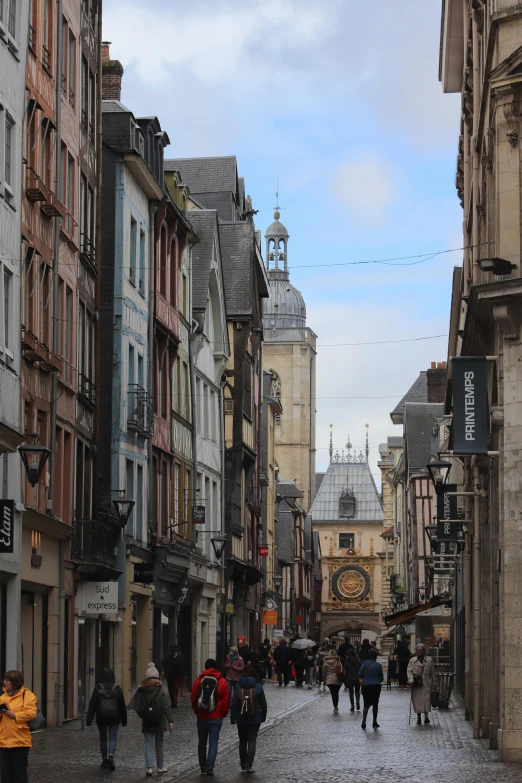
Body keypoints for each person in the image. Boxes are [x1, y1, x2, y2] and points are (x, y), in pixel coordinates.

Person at [131, 662, 172, 777]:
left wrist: (144, 715)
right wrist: (170, 721)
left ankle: (149, 768)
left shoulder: (141, 690)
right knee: (159, 744)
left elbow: (137, 706)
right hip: (159, 720)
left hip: (147, 721)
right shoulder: (160, 690)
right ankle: (160, 767)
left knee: (148, 744)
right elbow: (166, 707)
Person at [191, 658, 230, 776]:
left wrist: (197, 711)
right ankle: (210, 767)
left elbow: (193, 698)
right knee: (213, 742)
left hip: (202, 716)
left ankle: (202, 766)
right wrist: (222, 714)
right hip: (215, 716)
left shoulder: (199, 680)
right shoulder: (222, 681)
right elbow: (226, 700)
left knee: (202, 741)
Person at [86, 667, 127, 770]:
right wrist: (124, 720)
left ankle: (104, 759)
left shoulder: (98, 688)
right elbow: (122, 705)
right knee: (113, 738)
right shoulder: (117, 688)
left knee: (103, 739)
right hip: (115, 717)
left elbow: (92, 705)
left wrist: (89, 719)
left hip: (101, 717)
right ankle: (110, 756)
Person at [0, 670, 37, 783]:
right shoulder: (3, 697)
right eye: (4, 680)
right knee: (5, 775)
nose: (4, 683)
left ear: (15, 682)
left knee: (19, 774)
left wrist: (15, 715)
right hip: (3, 741)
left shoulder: (27, 695)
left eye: (7, 680)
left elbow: (31, 713)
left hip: (20, 741)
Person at [230, 663, 268, 774]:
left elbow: (234, 704)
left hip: (241, 718)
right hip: (255, 718)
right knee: (252, 742)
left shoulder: (238, 687)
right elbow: (264, 705)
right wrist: (262, 717)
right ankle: (249, 765)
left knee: (242, 741)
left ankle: (243, 763)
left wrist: (233, 718)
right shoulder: (258, 687)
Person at [407, 644, 435, 725]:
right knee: (417, 701)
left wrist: (434, 683)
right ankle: (418, 717)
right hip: (416, 684)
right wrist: (411, 680)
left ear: (424, 651)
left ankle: (426, 717)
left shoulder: (429, 660)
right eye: (418, 650)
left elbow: (432, 672)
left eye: (421, 650)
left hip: (426, 683)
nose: (419, 652)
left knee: (426, 701)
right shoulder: (412, 660)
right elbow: (409, 671)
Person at [358, 649, 384, 730]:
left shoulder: (364, 664)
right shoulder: (379, 665)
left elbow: (360, 674)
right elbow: (381, 678)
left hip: (366, 685)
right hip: (376, 686)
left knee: (366, 704)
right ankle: (374, 721)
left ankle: (364, 721)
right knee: (375, 704)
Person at [322, 648, 343, 713]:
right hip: (337, 679)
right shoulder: (337, 660)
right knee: (336, 693)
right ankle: (336, 706)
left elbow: (324, 672)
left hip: (329, 679)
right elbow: (341, 668)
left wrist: (324, 680)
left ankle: (335, 706)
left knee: (333, 693)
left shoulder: (325, 661)